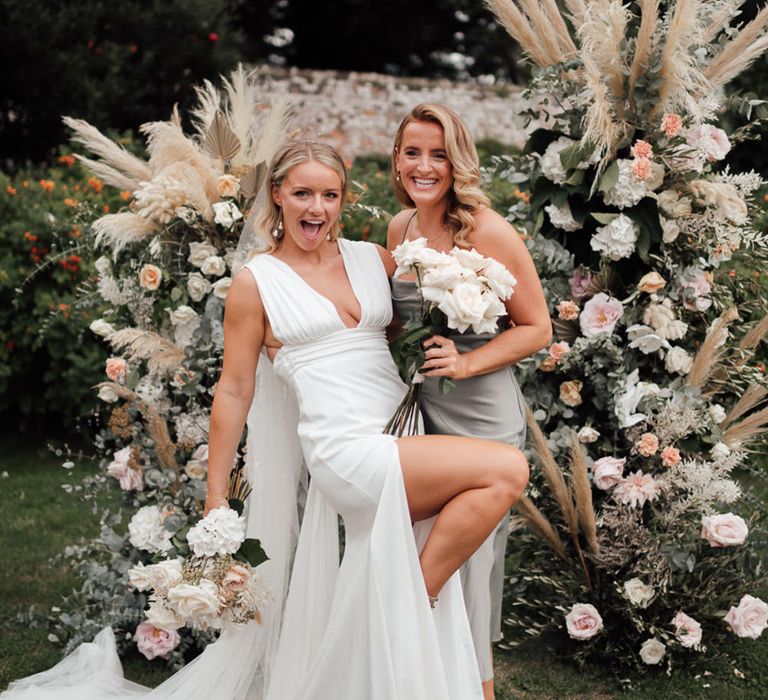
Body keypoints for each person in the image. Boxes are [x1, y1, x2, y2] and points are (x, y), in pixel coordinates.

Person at [2, 140, 529, 700]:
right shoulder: (258, 282)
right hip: (345, 450)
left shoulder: (371, 258)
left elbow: (393, 342)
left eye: (329, 194)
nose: (316, 208)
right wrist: (215, 500)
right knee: (506, 470)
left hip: (402, 436)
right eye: (302, 193)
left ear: (343, 200)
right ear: (277, 196)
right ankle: (405, 599)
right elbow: (234, 390)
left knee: (429, 534)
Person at [387, 103, 551, 700]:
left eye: (438, 154)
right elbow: (397, 326)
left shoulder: (486, 229)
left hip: (481, 416)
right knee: (423, 550)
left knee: (472, 571)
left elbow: (537, 328)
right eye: (412, 152)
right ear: (397, 158)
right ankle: (417, 681)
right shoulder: (399, 229)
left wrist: (465, 361)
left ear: (458, 162)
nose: (424, 166)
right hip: (421, 417)